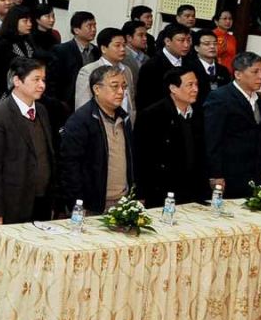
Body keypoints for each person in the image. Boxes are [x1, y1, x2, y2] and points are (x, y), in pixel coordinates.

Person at [0, 57, 55, 225]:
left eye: (43, 80)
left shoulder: (42, 111)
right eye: (36, 79)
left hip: (42, 201)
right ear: (17, 81)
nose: (42, 85)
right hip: (12, 204)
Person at [58, 64, 135, 213]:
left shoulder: (124, 118)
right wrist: (78, 204)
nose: (121, 92)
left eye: (123, 86)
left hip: (124, 201)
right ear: (97, 89)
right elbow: (70, 167)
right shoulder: (80, 121)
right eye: (115, 86)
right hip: (92, 206)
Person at [134, 65, 207, 204]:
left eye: (196, 84)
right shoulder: (152, 115)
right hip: (162, 191)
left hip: (193, 190)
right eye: (190, 85)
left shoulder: (199, 113)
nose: (195, 89)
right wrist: (141, 192)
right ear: (173, 88)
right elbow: (142, 157)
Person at [204, 51, 261, 194]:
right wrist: (216, 174)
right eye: (255, 72)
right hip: (229, 173)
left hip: (254, 174)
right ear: (238, 74)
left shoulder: (260, 100)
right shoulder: (220, 97)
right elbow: (212, 139)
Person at [74, 27, 138, 122]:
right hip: (99, 125)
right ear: (104, 48)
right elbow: (82, 106)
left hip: (125, 124)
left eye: (124, 45)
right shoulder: (89, 71)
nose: (122, 49)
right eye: (117, 45)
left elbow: (130, 101)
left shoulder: (127, 70)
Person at [135, 22, 193, 113]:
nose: (186, 45)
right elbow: (145, 101)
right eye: (181, 40)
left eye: (188, 40)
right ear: (167, 41)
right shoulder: (152, 66)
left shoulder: (190, 64)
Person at [47, 11, 98, 110]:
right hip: (67, 104)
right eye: (89, 26)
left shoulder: (96, 51)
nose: (93, 29)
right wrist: (59, 103)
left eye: (94, 25)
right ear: (76, 30)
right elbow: (52, 81)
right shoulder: (61, 50)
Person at [190, 29, 233, 100]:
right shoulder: (189, 69)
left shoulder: (223, 70)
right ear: (196, 48)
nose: (212, 46)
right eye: (207, 44)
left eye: (215, 43)